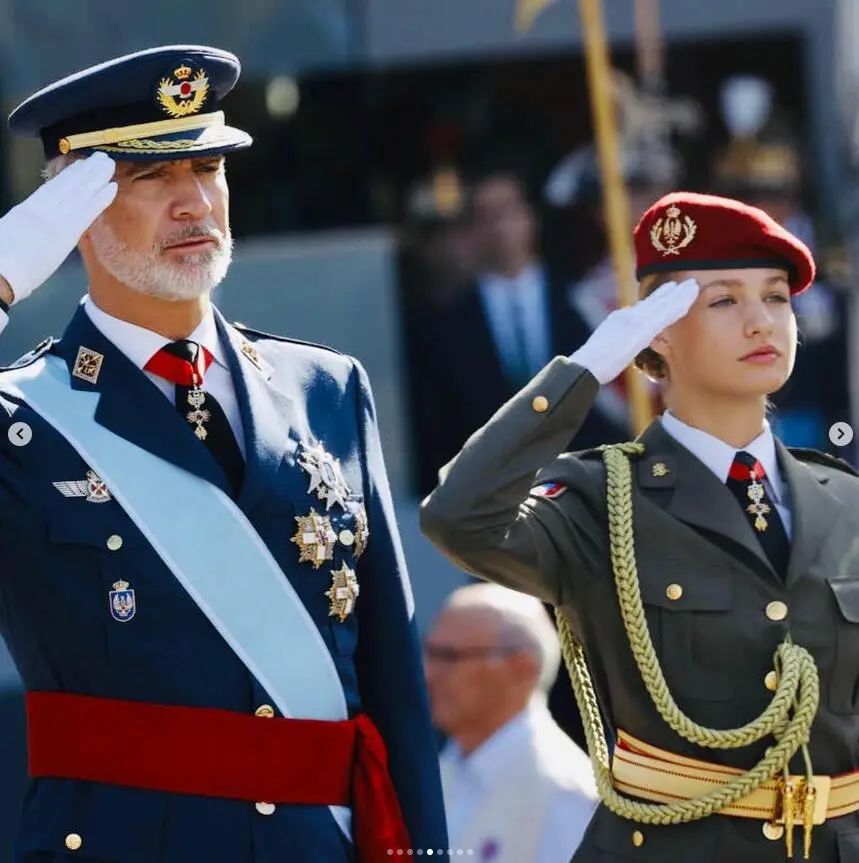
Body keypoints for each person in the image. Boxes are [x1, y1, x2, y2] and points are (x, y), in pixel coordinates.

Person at [0, 45, 447, 862]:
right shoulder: (22, 419)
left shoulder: (324, 387)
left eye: (207, 168)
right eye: (150, 178)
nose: (193, 202)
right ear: (69, 208)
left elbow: (393, 682)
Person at [422, 190, 859, 861]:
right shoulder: (601, 499)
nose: (759, 321)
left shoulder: (842, 497)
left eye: (774, 297)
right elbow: (459, 517)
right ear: (656, 331)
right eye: (722, 301)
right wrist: (585, 371)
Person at [409, 168, 590, 497]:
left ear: (530, 218)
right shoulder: (447, 323)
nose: (499, 228)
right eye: (485, 217)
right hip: (487, 498)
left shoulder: (580, 302)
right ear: (470, 231)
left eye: (507, 212)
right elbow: (438, 426)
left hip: (581, 487)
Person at [425, 583, 597, 863]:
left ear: (521, 667)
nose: (428, 673)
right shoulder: (440, 770)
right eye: (429, 653)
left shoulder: (565, 793)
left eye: (449, 656)